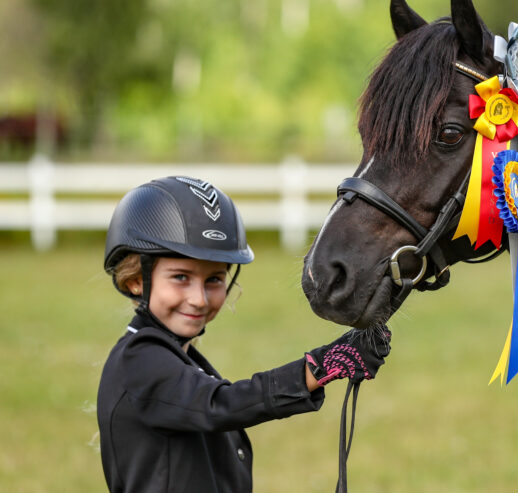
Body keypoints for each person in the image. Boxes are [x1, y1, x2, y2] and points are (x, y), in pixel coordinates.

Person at [96, 175, 390, 493]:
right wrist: (319, 366)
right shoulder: (139, 358)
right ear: (136, 280)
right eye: (180, 277)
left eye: (214, 280)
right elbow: (220, 404)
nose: (199, 298)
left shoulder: (177, 357)